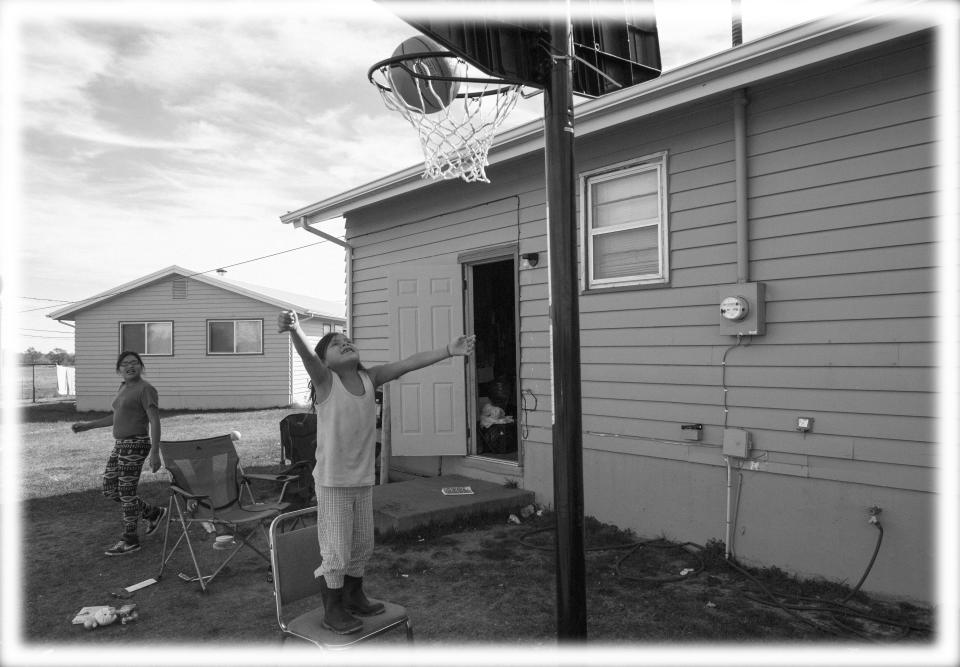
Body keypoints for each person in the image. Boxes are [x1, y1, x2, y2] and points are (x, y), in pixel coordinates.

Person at [278, 311, 475, 635]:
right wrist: (296, 328)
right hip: (334, 482)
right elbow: (306, 355)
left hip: (361, 481)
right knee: (336, 550)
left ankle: (355, 595)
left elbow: (409, 363)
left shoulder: (371, 378)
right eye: (336, 343)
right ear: (324, 361)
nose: (345, 342)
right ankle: (333, 608)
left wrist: (448, 350)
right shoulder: (327, 382)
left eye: (347, 340)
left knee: (361, 545)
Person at [72, 350, 166, 556]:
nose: (130, 366)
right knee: (109, 489)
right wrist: (88, 425)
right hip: (121, 444)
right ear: (119, 370)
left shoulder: (146, 389)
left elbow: (154, 420)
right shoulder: (123, 387)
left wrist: (155, 452)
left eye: (135, 363)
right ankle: (152, 513)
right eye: (125, 364)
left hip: (136, 444)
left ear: (141, 367)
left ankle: (130, 539)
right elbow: (116, 417)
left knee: (126, 492)